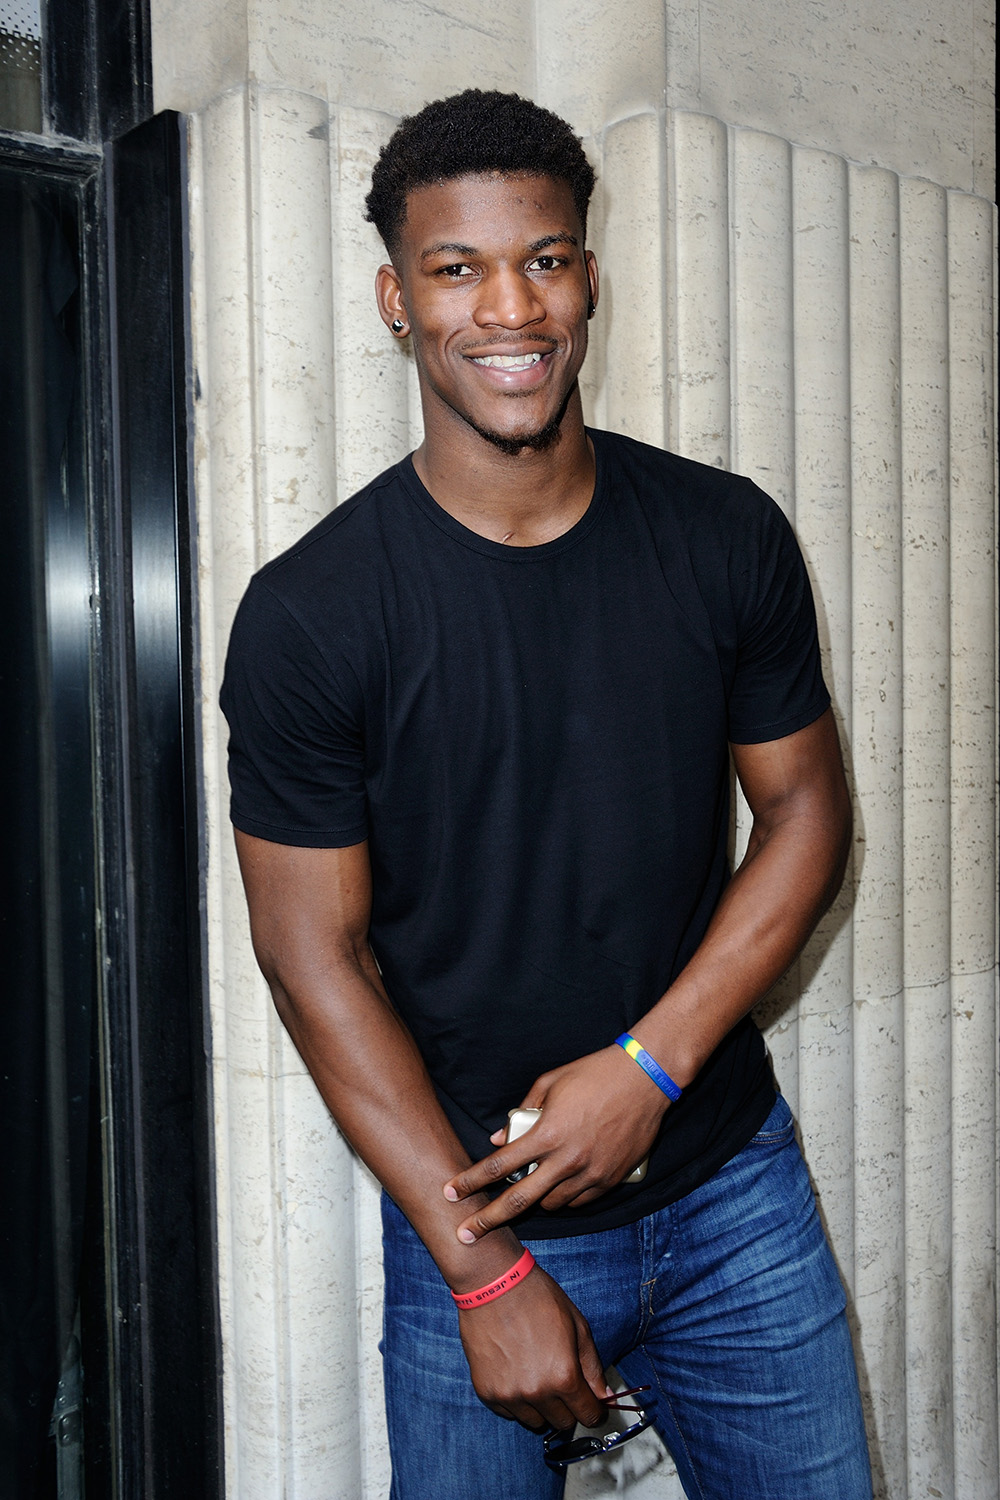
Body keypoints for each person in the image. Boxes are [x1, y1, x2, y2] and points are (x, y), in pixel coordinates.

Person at [221, 89, 872, 1499]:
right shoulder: (312, 616)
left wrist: (647, 1070)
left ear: (590, 276)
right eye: (456, 269)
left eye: (547, 259)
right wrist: (482, 1269)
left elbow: (809, 814)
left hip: (730, 1188)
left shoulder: (723, 535)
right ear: (397, 298)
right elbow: (308, 956)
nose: (508, 308)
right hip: (472, 1208)